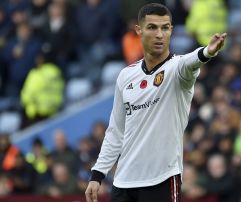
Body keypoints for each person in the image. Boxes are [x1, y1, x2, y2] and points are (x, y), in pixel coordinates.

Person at [85, 3, 227, 202]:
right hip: (123, 182)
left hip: (161, 180)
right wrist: (98, 174)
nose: (160, 34)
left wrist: (207, 52)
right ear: (139, 30)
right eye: (152, 27)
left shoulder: (177, 70)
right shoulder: (126, 76)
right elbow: (116, 131)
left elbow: (190, 61)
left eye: (165, 27)